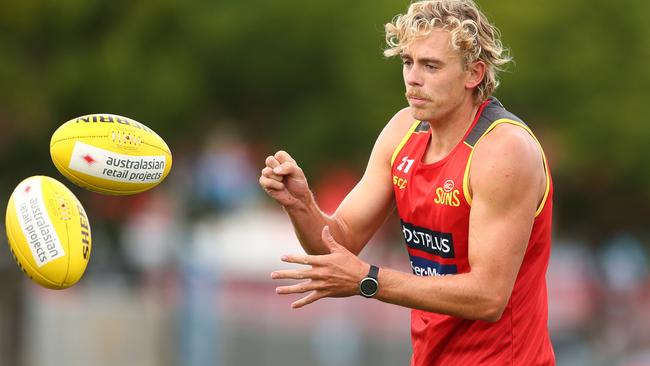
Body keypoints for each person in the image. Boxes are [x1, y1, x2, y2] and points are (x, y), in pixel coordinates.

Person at [259, 0, 555, 364]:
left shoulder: (502, 150)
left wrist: (368, 280)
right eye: (407, 62)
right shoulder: (403, 130)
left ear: (473, 73)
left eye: (431, 66)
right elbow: (339, 243)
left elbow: (488, 296)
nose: (413, 78)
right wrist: (301, 205)